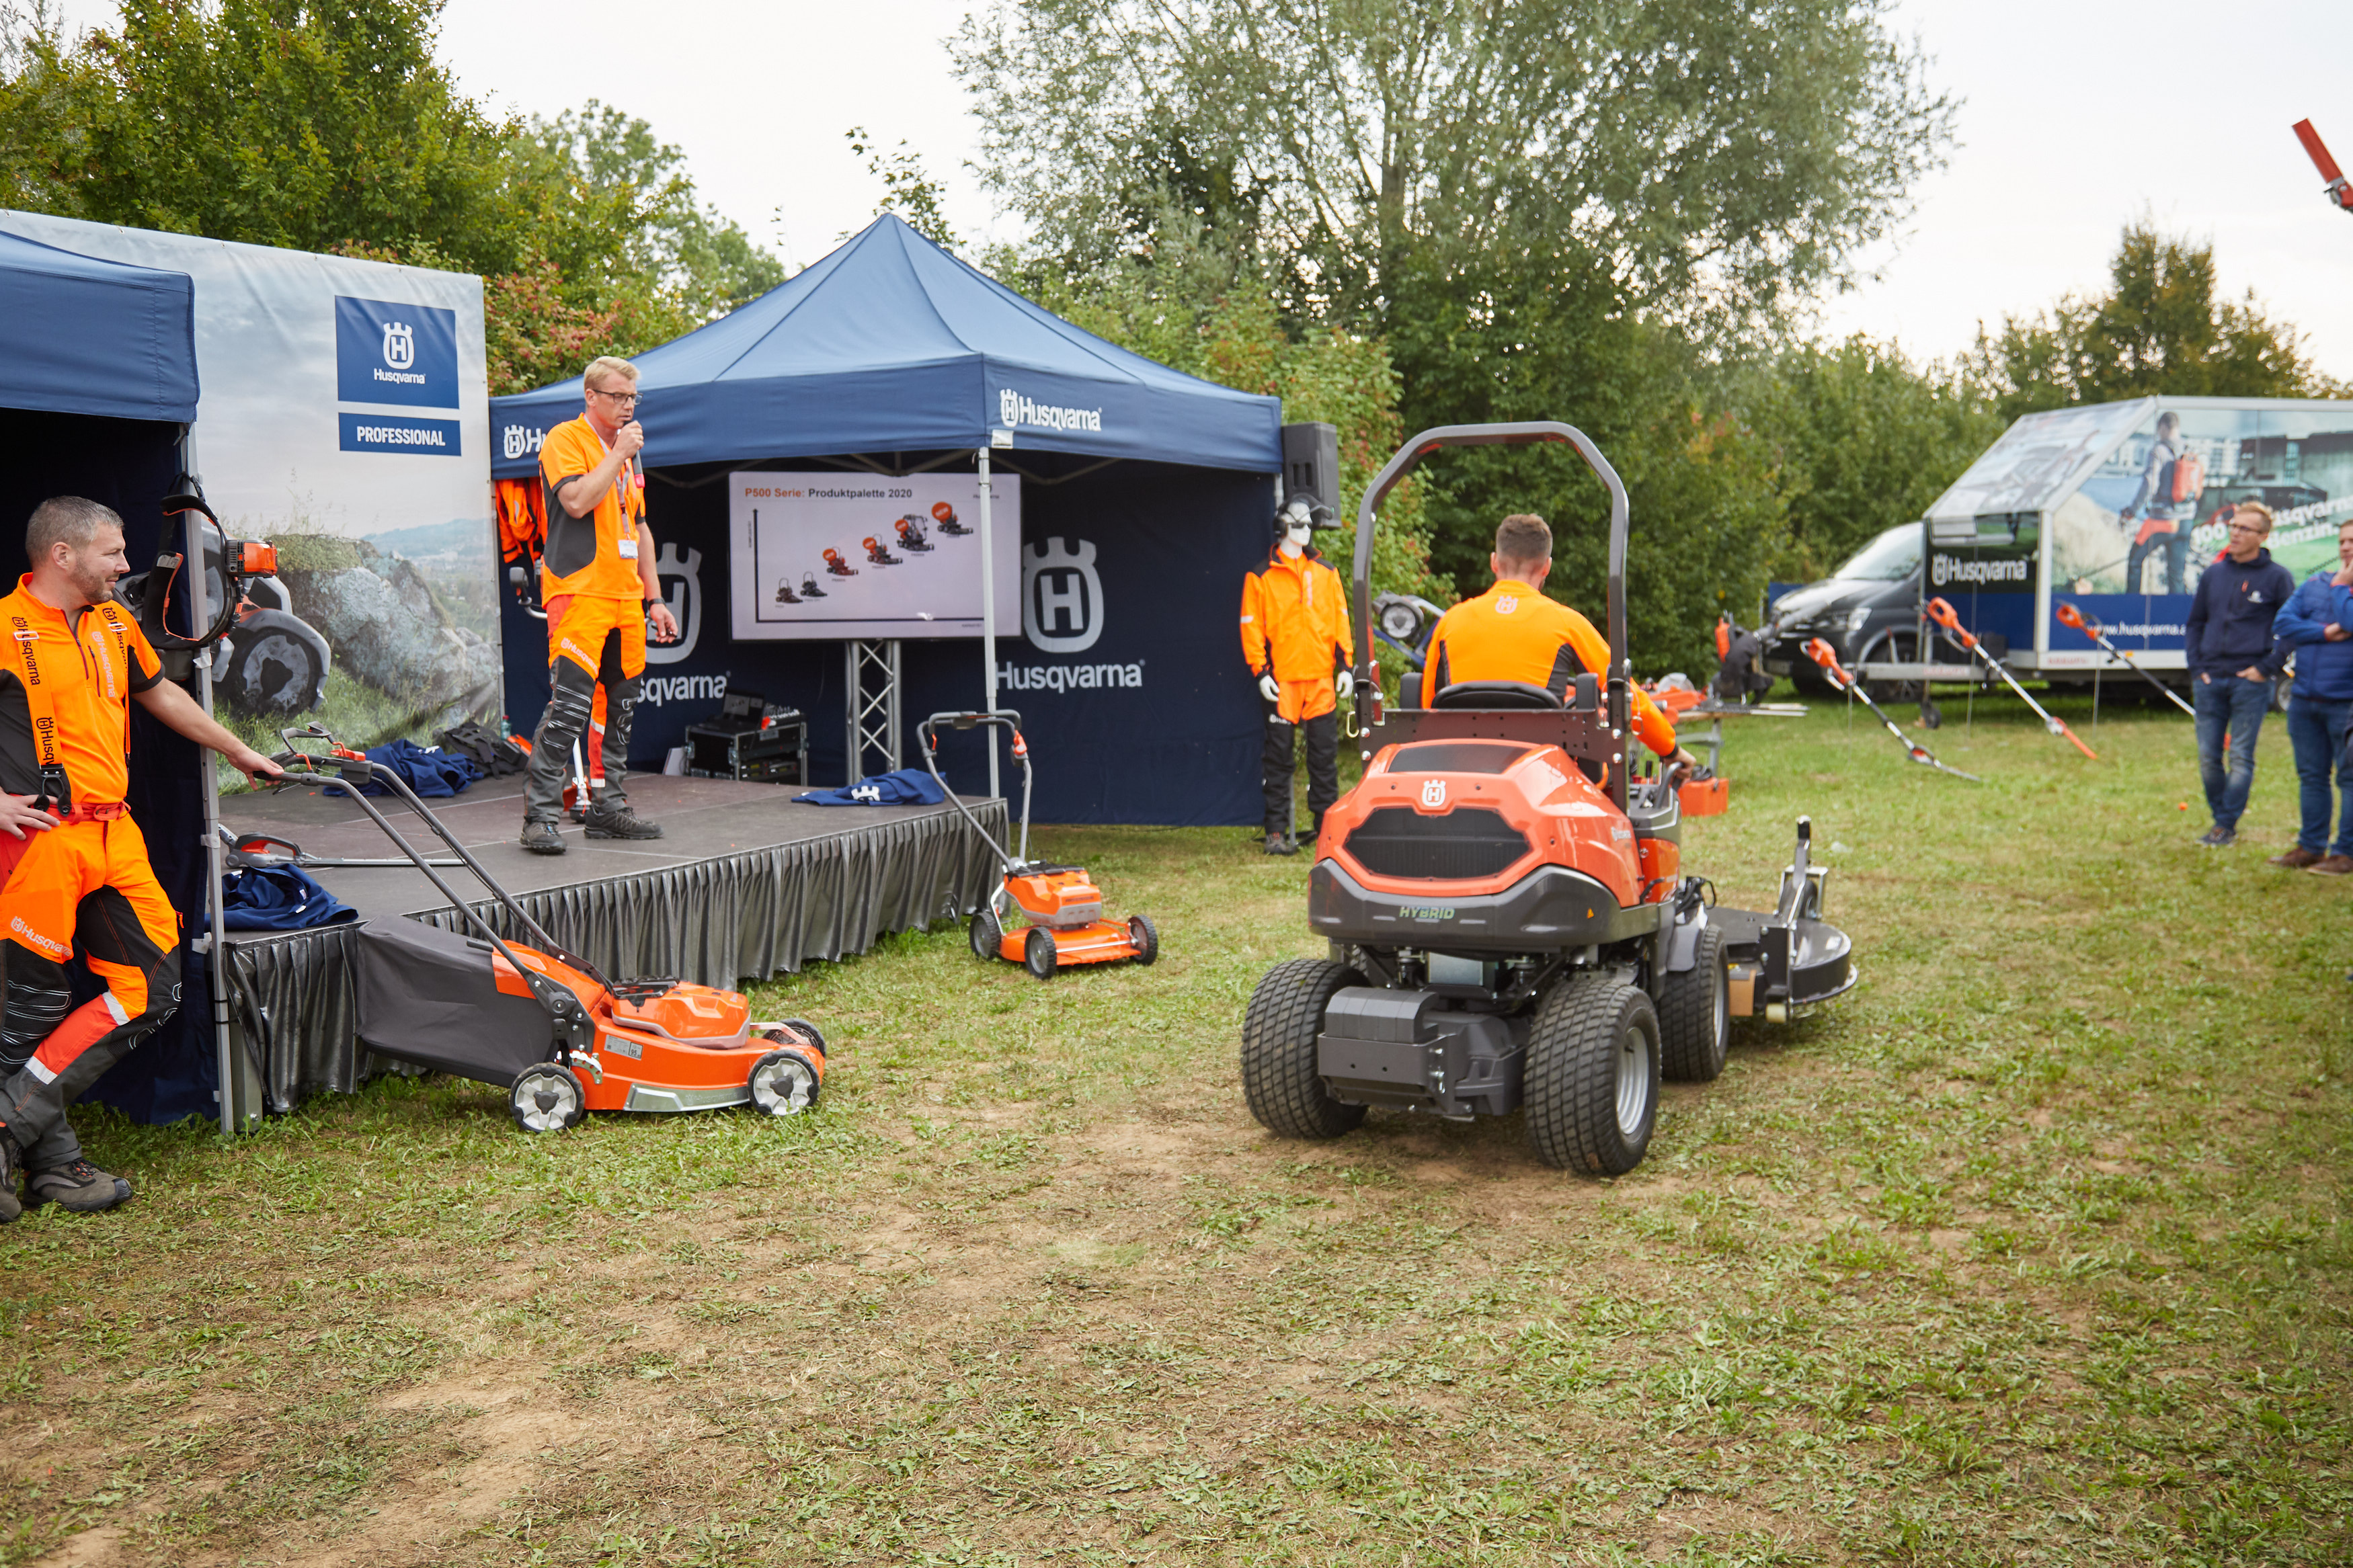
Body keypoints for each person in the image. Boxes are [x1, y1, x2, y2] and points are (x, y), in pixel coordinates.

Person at [1, 497, 283, 1220]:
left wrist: (238, 750)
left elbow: (160, 694)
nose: (126, 565)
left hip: (114, 834)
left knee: (152, 989)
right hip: (37, 843)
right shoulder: (3, 626)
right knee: (27, 1010)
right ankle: (54, 1164)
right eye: (112, 552)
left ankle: (11, 1129)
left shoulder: (115, 621)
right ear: (61, 555)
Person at [521, 356, 680, 854]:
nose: (628, 406)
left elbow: (640, 527)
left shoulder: (629, 454)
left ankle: (608, 807)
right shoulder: (565, 439)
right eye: (618, 396)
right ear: (591, 396)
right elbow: (576, 501)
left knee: (621, 710)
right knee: (569, 706)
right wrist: (618, 454)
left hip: (626, 597)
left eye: (633, 397)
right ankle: (540, 817)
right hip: (580, 592)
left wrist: (655, 597)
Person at [1419, 514, 1695, 776]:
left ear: (1494, 562)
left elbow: (1426, 707)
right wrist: (1670, 749)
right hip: (1541, 772)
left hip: (1461, 767)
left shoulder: (1451, 621)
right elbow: (1625, 693)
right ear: (1547, 567)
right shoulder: (1567, 623)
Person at [1240, 497, 1351, 855]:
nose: (1307, 530)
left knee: (1324, 760)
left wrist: (1346, 666)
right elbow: (1251, 628)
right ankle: (1275, 831)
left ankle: (1326, 830)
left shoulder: (1327, 572)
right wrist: (1260, 672)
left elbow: (1340, 621)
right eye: (1299, 523)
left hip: (1320, 681)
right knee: (1278, 760)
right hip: (1282, 681)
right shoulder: (1260, 576)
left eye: (1309, 523)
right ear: (1282, 525)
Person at [2184, 500, 2295, 848]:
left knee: (2241, 756)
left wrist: (2266, 668)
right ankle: (2223, 818)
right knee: (2208, 758)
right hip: (2209, 679)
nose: (2235, 533)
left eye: (2244, 529)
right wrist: (2197, 667)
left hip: (2250, 681)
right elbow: (2195, 623)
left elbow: (2292, 629)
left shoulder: (2277, 577)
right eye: (2233, 526)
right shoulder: (2214, 574)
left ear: (2262, 536)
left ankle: (2224, 825)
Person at [2268, 518, 2353, 874]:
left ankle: (2345, 853)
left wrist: (2342, 586)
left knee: (2349, 779)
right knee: (2312, 776)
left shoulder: (2334, 585)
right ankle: (2311, 847)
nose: (2346, 547)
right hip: (2304, 699)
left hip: (2346, 703)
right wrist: (2324, 632)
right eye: (2343, 540)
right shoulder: (2314, 584)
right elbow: (2283, 623)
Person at [2118, 411, 2202, 595]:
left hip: (2162, 521)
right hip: (2186, 522)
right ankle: (2175, 612)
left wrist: (2132, 510)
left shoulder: (2159, 451)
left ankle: (2131, 605)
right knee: (2176, 574)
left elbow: (2150, 483)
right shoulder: (2190, 450)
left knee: (2135, 561)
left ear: (2162, 427)